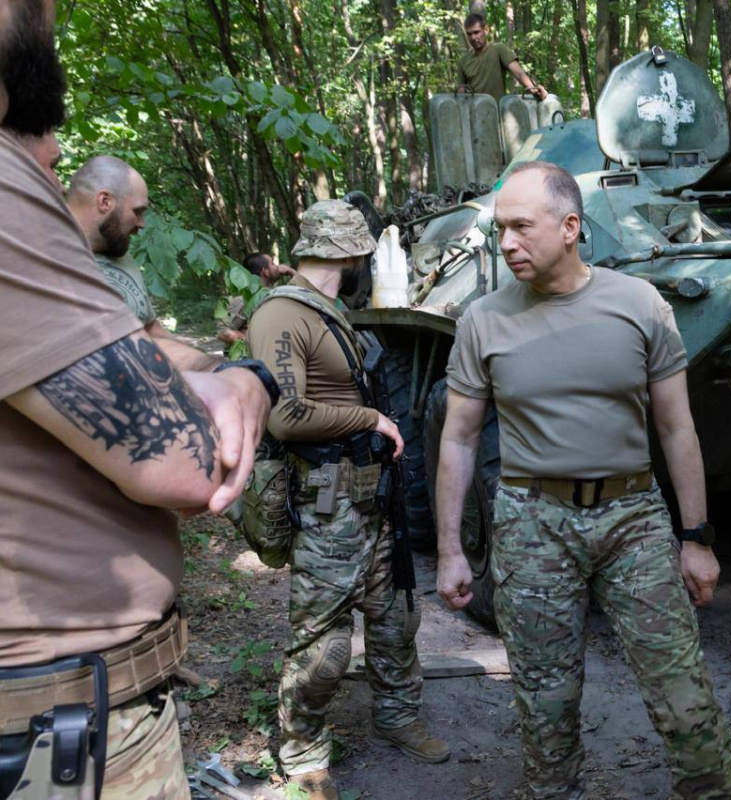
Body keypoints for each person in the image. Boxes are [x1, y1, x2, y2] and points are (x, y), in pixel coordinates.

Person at [0, 0, 274, 796]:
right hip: (53, 732)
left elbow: (132, 352)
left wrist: (215, 372)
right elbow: (192, 464)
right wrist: (244, 383)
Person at [436, 161, 731, 799]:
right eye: (501, 230)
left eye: (522, 227)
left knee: (683, 701)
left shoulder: (640, 306)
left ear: (571, 226)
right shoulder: (482, 321)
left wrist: (697, 537)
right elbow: (459, 438)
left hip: (633, 519)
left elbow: (677, 430)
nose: (507, 244)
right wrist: (449, 551)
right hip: (531, 525)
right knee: (545, 712)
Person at [247, 200, 449, 800]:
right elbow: (285, 416)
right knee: (324, 641)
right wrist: (371, 418)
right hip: (328, 505)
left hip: (371, 499)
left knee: (395, 619)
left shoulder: (330, 310)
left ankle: (397, 717)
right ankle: (304, 752)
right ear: (352, 253)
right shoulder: (283, 314)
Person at [65, 155, 225, 371]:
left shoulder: (121, 252)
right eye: (137, 212)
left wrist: (205, 361)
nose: (142, 224)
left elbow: (150, 329)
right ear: (105, 202)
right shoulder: (45, 258)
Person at [458, 13, 547, 102]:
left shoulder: (499, 50)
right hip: (474, 111)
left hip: (496, 111)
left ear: (486, 30)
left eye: (476, 32)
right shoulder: (463, 61)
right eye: (469, 34)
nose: (473, 37)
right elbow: (461, 93)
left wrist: (532, 88)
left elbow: (519, 73)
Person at [217, 252, 295, 350]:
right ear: (265, 271)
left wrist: (292, 272)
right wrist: (257, 341)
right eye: (273, 264)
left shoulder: (271, 295)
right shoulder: (244, 300)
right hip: (246, 361)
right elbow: (223, 333)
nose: (277, 267)